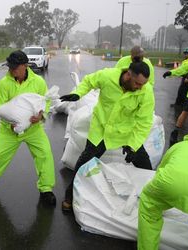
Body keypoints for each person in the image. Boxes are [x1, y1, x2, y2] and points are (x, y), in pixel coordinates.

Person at [60, 61, 155, 212]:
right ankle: (69, 195)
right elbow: (89, 81)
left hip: (125, 132)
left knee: (145, 165)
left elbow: (144, 121)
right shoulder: (107, 76)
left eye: (142, 84)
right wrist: (78, 93)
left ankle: (154, 197)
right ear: (128, 75)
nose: (139, 87)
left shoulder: (146, 91)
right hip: (101, 129)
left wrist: (133, 145)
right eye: (137, 83)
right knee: (85, 162)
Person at [0, 50, 56, 206]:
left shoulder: (38, 82)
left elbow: (46, 102)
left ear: (25, 66)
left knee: (44, 154)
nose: (11, 70)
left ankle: (46, 189)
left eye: (15, 67)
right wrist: (9, 124)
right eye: (10, 67)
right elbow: (0, 106)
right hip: (9, 130)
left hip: (33, 129)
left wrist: (41, 116)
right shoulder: (4, 83)